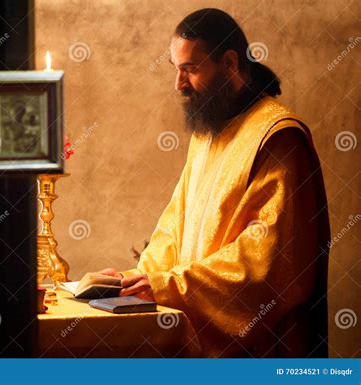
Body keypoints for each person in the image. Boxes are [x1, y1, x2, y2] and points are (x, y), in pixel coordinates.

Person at [100, 8, 330, 358]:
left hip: (261, 347)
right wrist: (134, 282)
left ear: (230, 62)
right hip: (198, 330)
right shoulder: (209, 132)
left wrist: (167, 286)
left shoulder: (278, 137)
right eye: (176, 70)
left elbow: (267, 261)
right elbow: (174, 228)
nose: (178, 84)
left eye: (190, 69)